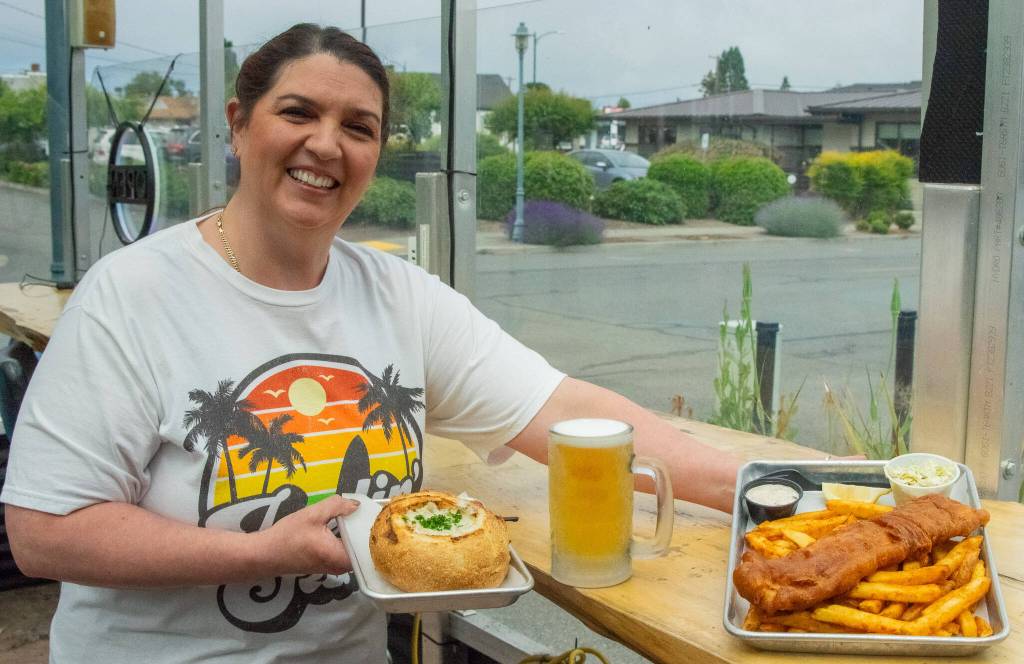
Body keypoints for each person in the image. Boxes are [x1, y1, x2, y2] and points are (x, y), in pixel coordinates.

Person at [1, 24, 740, 663]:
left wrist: (765, 489)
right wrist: (262, 553)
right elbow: (44, 531)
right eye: (298, 112)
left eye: (359, 127)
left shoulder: (398, 296)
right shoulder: (132, 294)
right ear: (239, 122)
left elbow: (569, 412)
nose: (326, 144)